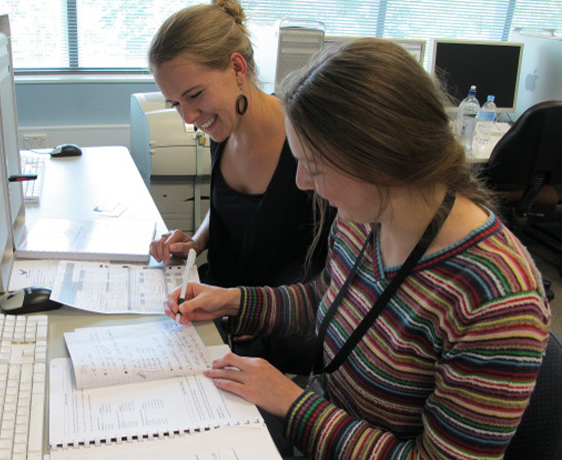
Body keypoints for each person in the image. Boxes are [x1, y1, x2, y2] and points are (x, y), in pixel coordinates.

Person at [166, 38, 551, 459]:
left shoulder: (495, 297)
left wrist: (294, 405)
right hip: (318, 424)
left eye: (313, 168)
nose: (302, 184)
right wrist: (234, 302)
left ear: (380, 158)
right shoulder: (363, 216)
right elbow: (326, 297)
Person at [148, 0, 332, 374]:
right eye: (175, 104)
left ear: (236, 68)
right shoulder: (222, 130)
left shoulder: (309, 148)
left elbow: (331, 275)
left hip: (280, 343)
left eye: (195, 95)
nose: (189, 118)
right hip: (220, 318)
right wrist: (196, 242)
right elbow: (229, 208)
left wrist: (247, 313)